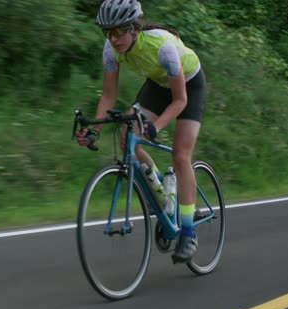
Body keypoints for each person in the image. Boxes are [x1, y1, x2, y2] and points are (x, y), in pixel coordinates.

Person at [75, 0, 207, 263]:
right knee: (128, 139)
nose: (113, 39)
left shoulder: (163, 46)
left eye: (119, 32)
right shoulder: (110, 50)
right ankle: (164, 193)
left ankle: (188, 232)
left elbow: (179, 100)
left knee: (181, 155)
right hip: (158, 85)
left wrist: (154, 127)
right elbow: (109, 96)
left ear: (134, 28)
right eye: (108, 33)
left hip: (189, 86)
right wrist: (95, 130)